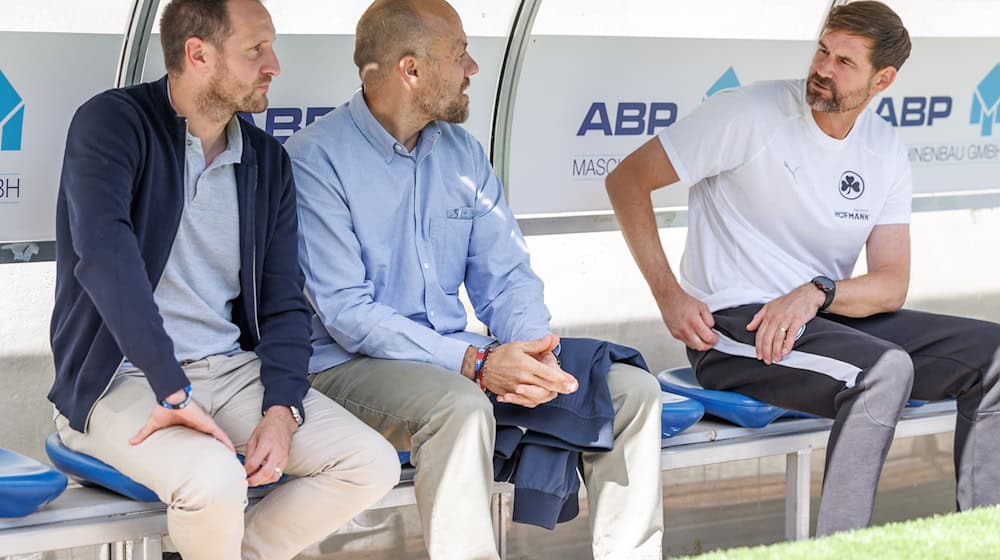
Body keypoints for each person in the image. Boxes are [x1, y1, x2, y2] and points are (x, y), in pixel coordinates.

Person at [284, 1, 664, 558]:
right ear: (411, 70)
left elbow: (506, 275)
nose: (473, 68)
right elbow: (349, 315)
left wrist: (533, 353)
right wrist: (476, 364)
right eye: (460, 54)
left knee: (632, 392)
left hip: (461, 359)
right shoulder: (314, 159)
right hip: (347, 366)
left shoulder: (462, 152)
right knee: (459, 407)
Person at [607, 0, 1000, 536]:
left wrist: (818, 292)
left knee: (993, 357)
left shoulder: (883, 147)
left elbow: (890, 284)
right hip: (735, 324)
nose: (823, 68)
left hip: (824, 320)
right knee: (883, 371)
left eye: (845, 62)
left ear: (882, 79)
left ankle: (980, 537)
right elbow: (627, 180)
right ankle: (840, 547)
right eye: (823, 51)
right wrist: (669, 295)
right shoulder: (747, 113)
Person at [48, 1, 400, 558]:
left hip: (232, 372)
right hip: (122, 377)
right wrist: (170, 384)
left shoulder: (265, 160)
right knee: (214, 480)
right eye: (255, 49)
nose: (273, 65)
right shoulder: (113, 124)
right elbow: (105, 260)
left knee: (369, 463)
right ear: (198, 54)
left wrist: (283, 409)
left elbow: (284, 301)